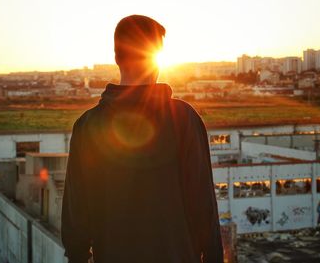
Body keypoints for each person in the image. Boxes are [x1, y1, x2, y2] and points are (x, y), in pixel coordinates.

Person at [61, 15, 223, 263]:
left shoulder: (87, 127)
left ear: (116, 58)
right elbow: (204, 211)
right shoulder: (184, 119)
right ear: (157, 58)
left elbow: (76, 220)